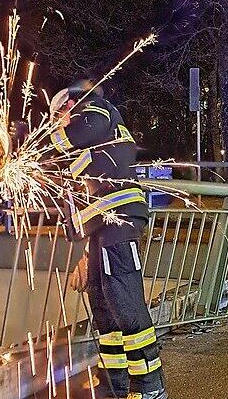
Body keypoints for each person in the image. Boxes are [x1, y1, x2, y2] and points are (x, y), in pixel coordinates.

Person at [51, 80, 167, 399]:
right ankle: (114, 385)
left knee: (125, 304)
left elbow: (71, 137)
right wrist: (86, 255)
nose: (58, 124)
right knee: (104, 308)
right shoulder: (91, 144)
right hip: (103, 227)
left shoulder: (97, 111)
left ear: (70, 104)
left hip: (119, 220)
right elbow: (81, 190)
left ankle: (150, 387)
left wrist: (39, 141)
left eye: (59, 117)